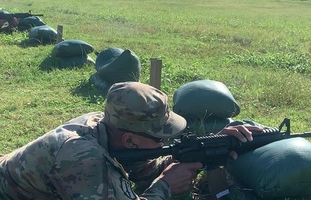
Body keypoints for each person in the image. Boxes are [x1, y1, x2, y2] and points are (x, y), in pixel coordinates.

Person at [0, 81, 263, 200]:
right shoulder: (83, 158)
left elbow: (140, 168)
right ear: (130, 140)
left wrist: (200, 150)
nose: (166, 141)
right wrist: (166, 187)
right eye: (160, 137)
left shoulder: (107, 123)